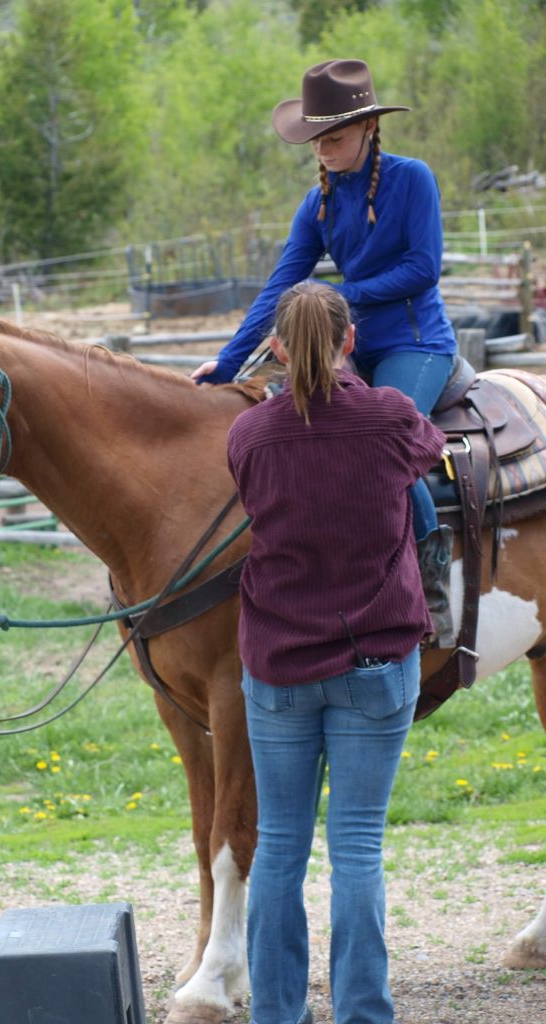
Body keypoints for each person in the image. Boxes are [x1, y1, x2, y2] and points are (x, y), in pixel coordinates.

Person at [227, 281, 446, 1024]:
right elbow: (431, 447)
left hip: (279, 665)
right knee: (356, 848)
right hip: (375, 664)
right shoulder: (389, 418)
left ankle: (278, 1015)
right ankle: (362, 1014)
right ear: (352, 339)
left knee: (281, 850)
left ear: (278, 347)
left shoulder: (249, 434)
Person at [195, 58, 456, 646]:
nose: (323, 151)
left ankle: (430, 589)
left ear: (368, 129)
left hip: (413, 344)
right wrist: (230, 361)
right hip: (339, 344)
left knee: (391, 445)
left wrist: (335, 298)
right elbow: (282, 285)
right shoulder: (317, 202)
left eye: (334, 138)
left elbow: (423, 268)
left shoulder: (413, 179)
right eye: (316, 140)